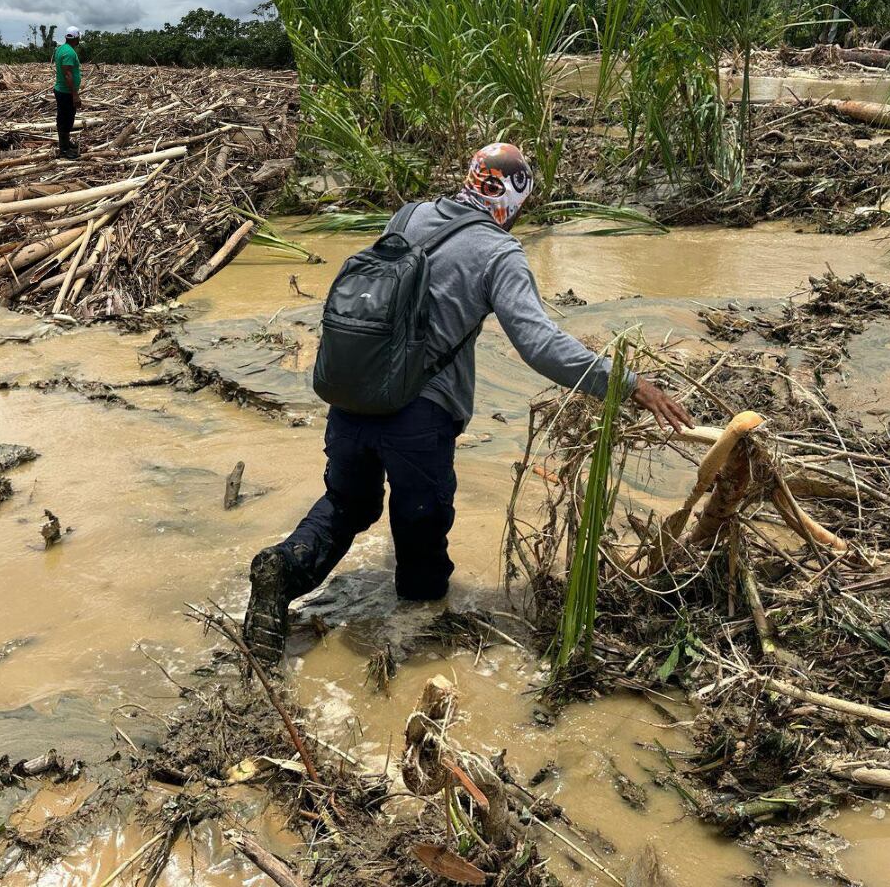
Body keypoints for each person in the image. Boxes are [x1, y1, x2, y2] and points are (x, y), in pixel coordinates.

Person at [243, 142, 694, 666]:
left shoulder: (408, 217)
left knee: (348, 505)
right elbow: (539, 344)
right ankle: (407, 660)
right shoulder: (499, 252)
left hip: (352, 399)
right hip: (419, 418)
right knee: (422, 551)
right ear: (513, 200)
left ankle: (284, 568)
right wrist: (627, 383)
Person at [53, 27, 82, 160]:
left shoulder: (61, 49)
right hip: (66, 92)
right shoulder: (69, 52)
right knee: (66, 119)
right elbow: (68, 74)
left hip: (63, 90)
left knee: (65, 118)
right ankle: (64, 149)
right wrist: (75, 94)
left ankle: (65, 142)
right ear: (76, 38)